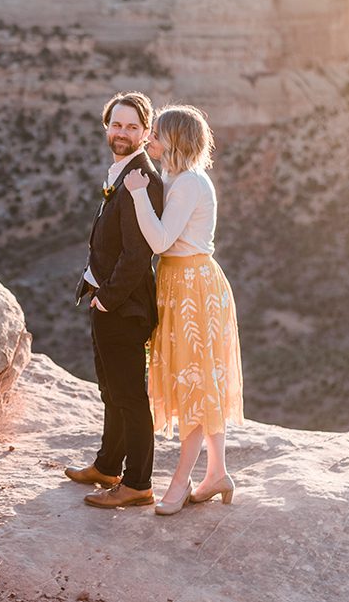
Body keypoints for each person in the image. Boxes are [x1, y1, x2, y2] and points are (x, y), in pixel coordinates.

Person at [123, 104, 244, 515]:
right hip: (180, 284)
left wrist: (138, 195)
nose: (149, 139)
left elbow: (159, 241)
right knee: (199, 380)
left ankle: (182, 480)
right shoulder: (177, 178)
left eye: (155, 133)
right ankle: (217, 474)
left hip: (192, 287)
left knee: (195, 383)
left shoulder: (189, 183)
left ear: (173, 139)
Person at [64, 91, 166, 508]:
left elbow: (138, 254)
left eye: (132, 127)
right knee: (111, 389)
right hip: (106, 300)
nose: (122, 133)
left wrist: (106, 298)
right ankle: (108, 465)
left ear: (145, 133)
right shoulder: (122, 172)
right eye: (116, 124)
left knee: (129, 396)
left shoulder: (143, 179)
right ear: (107, 126)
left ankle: (139, 483)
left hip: (124, 307)